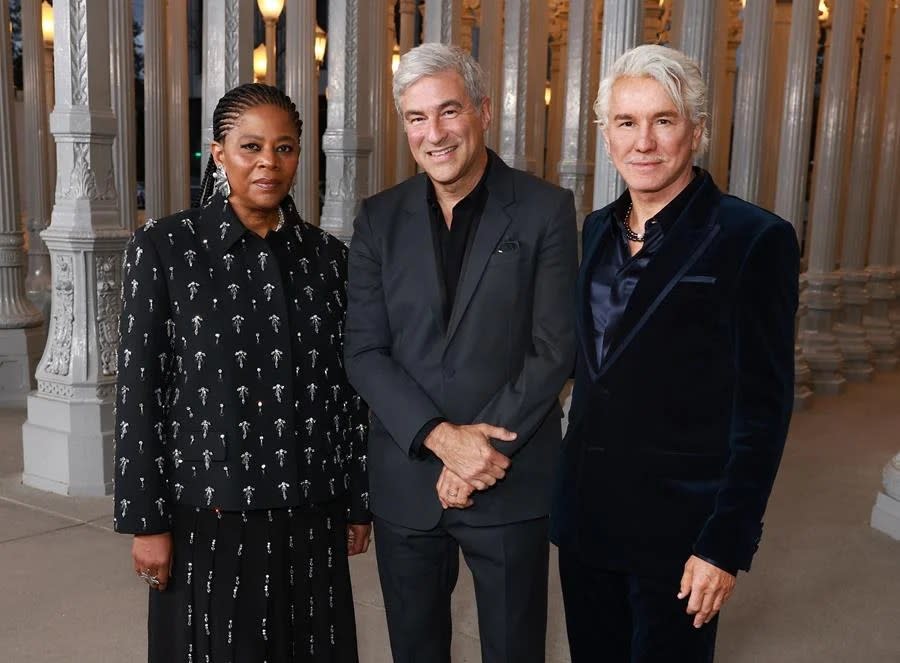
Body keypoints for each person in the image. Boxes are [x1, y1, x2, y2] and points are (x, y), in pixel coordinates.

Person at [550, 44, 799, 662]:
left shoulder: (754, 239)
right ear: (606, 135)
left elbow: (763, 411)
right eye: (626, 123)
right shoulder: (595, 228)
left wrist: (725, 544)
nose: (644, 142)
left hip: (682, 533)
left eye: (663, 120)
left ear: (697, 130)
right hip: (588, 520)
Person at [113, 83, 370, 663]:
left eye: (284, 148)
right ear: (218, 152)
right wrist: (145, 521)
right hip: (210, 514)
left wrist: (358, 498)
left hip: (311, 510)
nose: (268, 163)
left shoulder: (328, 259)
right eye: (250, 146)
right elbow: (139, 390)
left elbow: (348, 391)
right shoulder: (164, 249)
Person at [344, 43, 577, 663]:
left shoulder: (545, 209)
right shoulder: (378, 219)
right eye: (418, 118)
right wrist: (442, 438)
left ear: (482, 110)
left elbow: (554, 348)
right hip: (406, 478)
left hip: (509, 475)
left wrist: (481, 449)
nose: (435, 133)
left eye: (449, 112)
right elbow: (364, 351)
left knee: (513, 649)